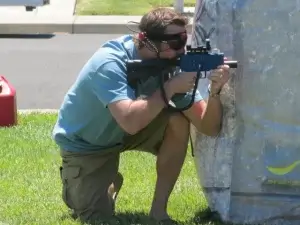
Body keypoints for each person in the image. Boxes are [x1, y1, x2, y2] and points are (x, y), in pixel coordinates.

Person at [52, 7, 231, 225]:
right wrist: (170, 87)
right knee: (98, 218)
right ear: (146, 41)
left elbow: (208, 126)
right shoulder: (109, 63)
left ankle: (158, 212)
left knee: (177, 120)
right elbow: (130, 122)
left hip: (125, 129)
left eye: (184, 40)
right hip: (87, 143)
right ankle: (93, 185)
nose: (182, 50)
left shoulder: (172, 64)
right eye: (174, 43)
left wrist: (215, 91)